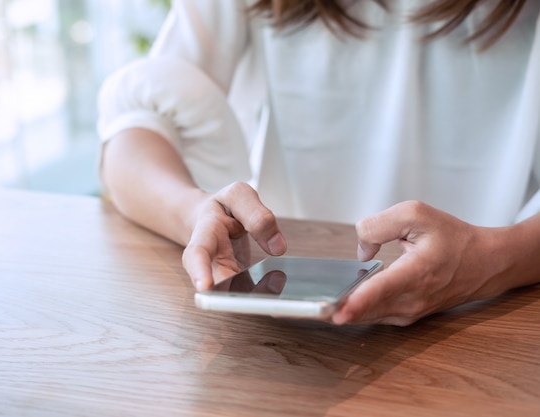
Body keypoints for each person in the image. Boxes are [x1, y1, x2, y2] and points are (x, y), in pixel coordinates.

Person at [97, 0, 540, 326]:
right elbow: (130, 139)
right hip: (286, 314)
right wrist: (195, 212)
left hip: (497, 317)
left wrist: (494, 259)